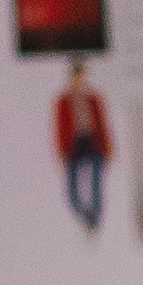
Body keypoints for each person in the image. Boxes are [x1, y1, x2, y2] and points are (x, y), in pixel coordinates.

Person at [57, 58, 115, 229]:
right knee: (73, 190)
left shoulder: (94, 99)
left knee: (96, 186)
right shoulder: (64, 101)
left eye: (81, 75)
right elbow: (60, 128)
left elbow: (102, 125)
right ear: (71, 77)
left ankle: (95, 221)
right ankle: (85, 218)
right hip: (73, 146)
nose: (79, 79)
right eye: (76, 76)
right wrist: (62, 152)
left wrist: (108, 148)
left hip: (93, 144)